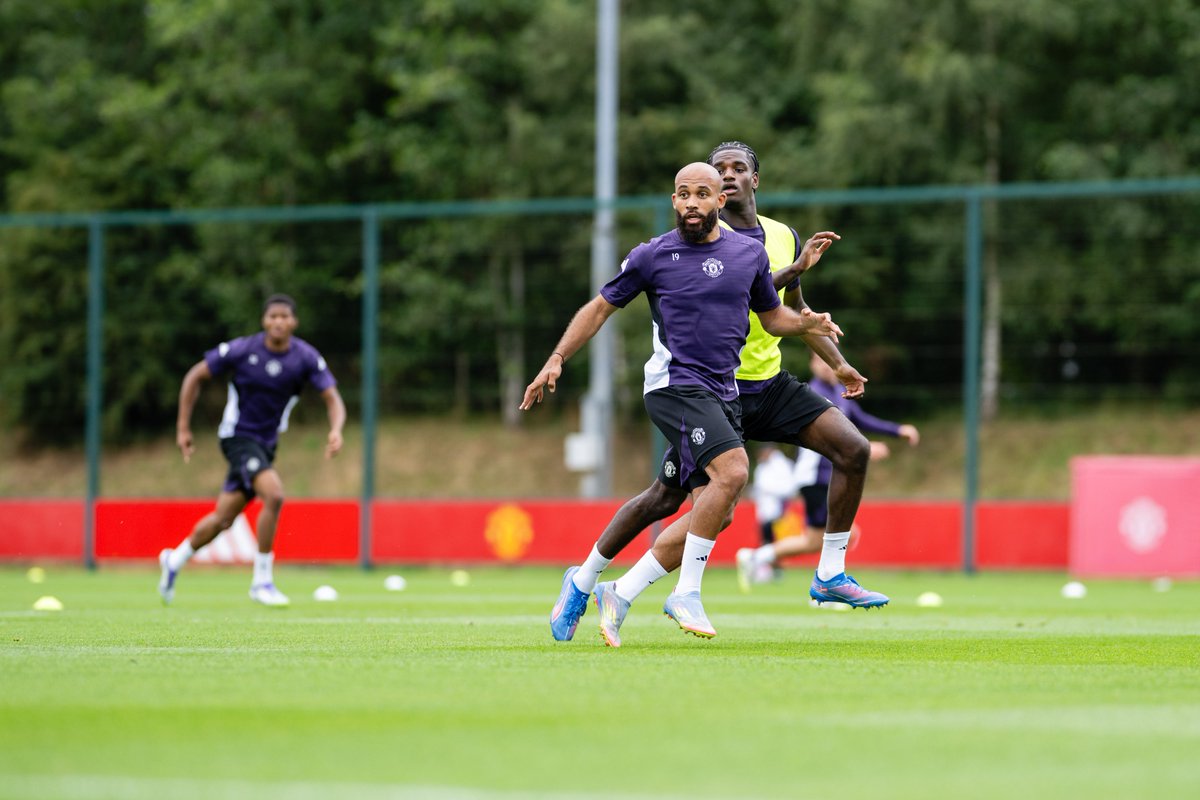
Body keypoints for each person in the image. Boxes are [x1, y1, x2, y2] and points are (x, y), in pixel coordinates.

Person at [548, 141, 885, 646]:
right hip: (690, 388)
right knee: (674, 498)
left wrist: (836, 363)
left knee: (851, 448)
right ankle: (596, 581)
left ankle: (829, 573)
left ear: (752, 181)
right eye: (711, 176)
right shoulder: (672, 248)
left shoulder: (776, 238)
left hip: (759, 387)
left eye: (736, 170)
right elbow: (724, 286)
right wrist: (556, 358)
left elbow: (782, 311)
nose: (725, 178)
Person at [158, 294, 346, 607]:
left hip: (266, 444)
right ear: (264, 321)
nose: (278, 322)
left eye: (285, 317)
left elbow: (332, 398)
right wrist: (183, 428)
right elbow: (195, 376)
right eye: (273, 316)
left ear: (294, 322)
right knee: (273, 494)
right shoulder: (243, 349)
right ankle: (262, 582)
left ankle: (173, 561)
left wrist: (336, 429)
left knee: (222, 519)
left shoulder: (305, 357)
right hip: (237, 437)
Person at [737, 351, 919, 588]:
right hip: (814, 475)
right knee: (846, 532)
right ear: (812, 364)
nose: (824, 365)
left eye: (828, 359)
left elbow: (860, 420)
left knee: (813, 540)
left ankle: (755, 557)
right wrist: (865, 448)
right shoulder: (813, 393)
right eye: (818, 360)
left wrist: (896, 431)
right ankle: (828, 584)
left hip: (828, 474)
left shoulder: (839, 393)